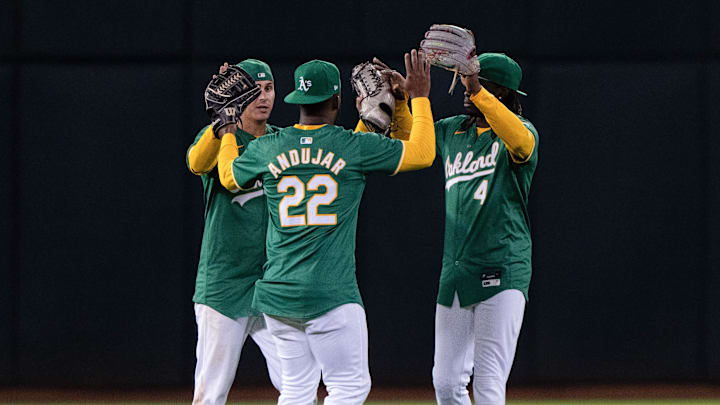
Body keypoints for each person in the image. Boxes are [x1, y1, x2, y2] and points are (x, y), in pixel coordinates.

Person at [215, 51, 435, 405]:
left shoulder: (269, 146)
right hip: (330, 294)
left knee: (297, 390)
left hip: (277, 295)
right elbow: (422, 153)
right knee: (349, 388)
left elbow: (228, 176)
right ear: (337, 100)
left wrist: (227, 131)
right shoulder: (353, 146)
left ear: (297, 99)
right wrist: (417, 98)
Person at [368, 53, 539, 405]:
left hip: (503, 270)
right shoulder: (452, 130)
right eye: (465, 79)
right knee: (445, 384)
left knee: (489, 385)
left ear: (503, 93)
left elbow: (522, 141)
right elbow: (407, 141)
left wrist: (478, 92)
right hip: (457, 273)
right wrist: (404, 100)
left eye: (479, 81)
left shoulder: (520, 134)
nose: (464, 87)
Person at [186, 59, 287, 405]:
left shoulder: (282, 141)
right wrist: (220, 125)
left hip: (272, 283)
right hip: (224, 285)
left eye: (269, 88)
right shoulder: (219, 139)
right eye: (254, 90)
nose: (263, 97)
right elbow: (196, 163)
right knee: (211, 391)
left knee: (298, 380)